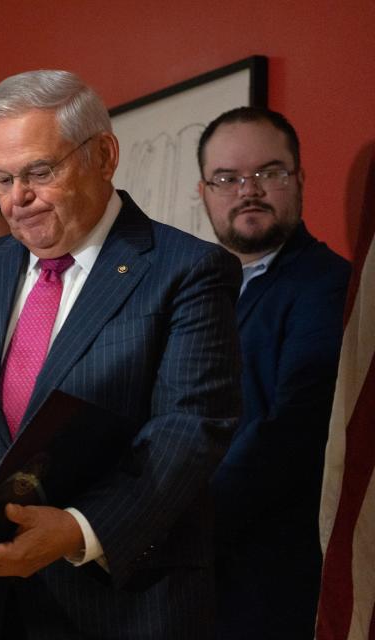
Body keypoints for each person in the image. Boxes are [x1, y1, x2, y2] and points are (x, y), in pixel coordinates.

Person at [0, 69, 243, 639]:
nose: (18, 199)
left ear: (105, 156)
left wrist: (76, 529)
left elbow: (188, 430)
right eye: (1, 178)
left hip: (116, 605)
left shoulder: (185, 270)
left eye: (39, 172)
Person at [197, 107, 351, 639]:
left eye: (270, 172)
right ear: (205, 192)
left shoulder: (328, 285)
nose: (250, 189)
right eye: (228, 177)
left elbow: (293, 429)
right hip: (193, 591)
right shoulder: (200, 293)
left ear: (299, 180)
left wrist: (165, 528)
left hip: (271, 589)